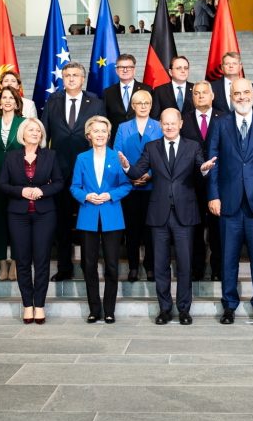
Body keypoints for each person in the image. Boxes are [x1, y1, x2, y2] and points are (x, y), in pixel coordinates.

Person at [122, 108, 216, 325]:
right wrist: (127, 167)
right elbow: (138, 172)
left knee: (185, 264)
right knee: (160, 265)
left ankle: (184, 309)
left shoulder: (192, 146)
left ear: (181, 123)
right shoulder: (151, 146)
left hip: (185, 214)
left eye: (173, 123)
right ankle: (164, 309)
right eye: (165, 123)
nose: (170, 127)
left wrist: (204, 169)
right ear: (160, 125)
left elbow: (199, 168)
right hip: (159, 215)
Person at [207, 77, 253, 324]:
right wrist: (214, 195)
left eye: (245, 93)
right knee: (228, 258)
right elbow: (213, 164)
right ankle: (229, 305)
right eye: (236, 93)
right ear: (230, 97)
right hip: (228, 204)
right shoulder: (220, 124)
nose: (241, 97)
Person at [41, 62, 105, 281]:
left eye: (75, 75)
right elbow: (44, 135)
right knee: (62, 222)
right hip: (58, 172)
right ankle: (64, 267)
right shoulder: (53, 101)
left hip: (87, 171)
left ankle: (90, 268)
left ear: (82, 79)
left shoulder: (95, 103)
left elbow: (102, 136)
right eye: (67, 75)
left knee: (89, 221)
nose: (70, 79)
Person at [0, 117, 64, 325]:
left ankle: (40, 305)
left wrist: (42, 191)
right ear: (22, 134)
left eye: (38, 131)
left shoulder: (50, 156)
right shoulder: (11, 157)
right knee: (23, 261)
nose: (35, 133)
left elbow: (60, 182)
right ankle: (28, 305)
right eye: (31, 130)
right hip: (18, 215)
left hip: (45, 214)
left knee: (42, 261)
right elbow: (2, 184)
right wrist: (22, 191)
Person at [71, 116, 132, 324]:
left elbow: (126, 185)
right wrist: (86, 196)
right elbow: (74, 187)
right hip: (88, 215)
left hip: (112, 215)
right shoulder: (81, 158)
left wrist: (110, 195)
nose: (99, 135)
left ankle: (109, 310)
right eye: (95, 131)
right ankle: (94, 309)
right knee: (88, 265)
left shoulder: (118, 157)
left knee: (112, 266)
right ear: (89, 135)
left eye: (103, 131)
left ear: (108, 134)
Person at [113, 90, 162, 282]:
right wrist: (131, 176)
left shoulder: (159, 126)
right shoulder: (123, 127)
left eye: (146, 103)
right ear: (132, 106)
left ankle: (150, 267)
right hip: (130, 187)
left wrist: (148, 175)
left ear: (151, 106)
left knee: (151, 229)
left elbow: (163, 155)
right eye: (139, 103)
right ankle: (133, 267)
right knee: (132, 230)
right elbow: (117, 154)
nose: (143, 106)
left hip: (153, 187)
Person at [182, 81, 225, 281]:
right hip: (192, 184)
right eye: (196, 93)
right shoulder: (184, 119)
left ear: (212, 95)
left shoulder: (225, 118)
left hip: (220, 183)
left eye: (204, 93)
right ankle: (197, 269)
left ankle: (217, 269)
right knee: (195, 229)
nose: (200, 96)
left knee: (218, 230)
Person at [0, 87, 24, 281]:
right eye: (4, 98)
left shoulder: (24, 123)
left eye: (11, 98)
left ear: (17, 103)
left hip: (18, 181)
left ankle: (16, 261)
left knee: (17, 222)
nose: (7, 101)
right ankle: (2, 261)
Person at [102, 53, 150, 142]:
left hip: (142, 138)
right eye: (121, 67)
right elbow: (105, 118)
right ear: (116, 70)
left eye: (129, 67)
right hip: (116, 140)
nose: (125, 70)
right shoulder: (108, 92)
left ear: (134, 70)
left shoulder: (147, 89)